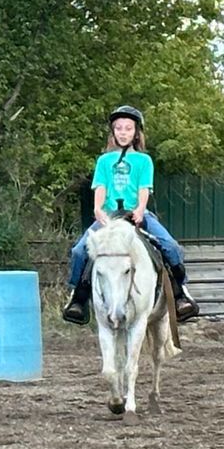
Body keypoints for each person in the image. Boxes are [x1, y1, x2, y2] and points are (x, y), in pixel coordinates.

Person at [62, 106, 199, 326]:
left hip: (137, 213)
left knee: (170, 246)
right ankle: (77, 299)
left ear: (136, 133)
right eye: (118, 128)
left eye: (128, 128)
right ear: (113, 132)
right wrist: (98, 209)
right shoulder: (104, 161)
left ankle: (181, 293)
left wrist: (140, 209)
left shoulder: (144, 161)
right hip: (109, 216)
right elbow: (100, 187)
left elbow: (144, 188)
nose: (123, 132)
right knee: (80, 251)